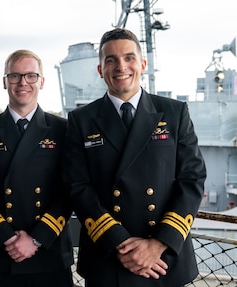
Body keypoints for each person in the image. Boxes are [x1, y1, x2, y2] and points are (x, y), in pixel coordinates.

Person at [62, 28, 206, 287]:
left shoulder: (173, 113)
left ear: (142, 64)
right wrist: (120, 244)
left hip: (164, 260)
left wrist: (158, 243)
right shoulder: (81, 120)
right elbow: (77, 186)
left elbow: (192, 179)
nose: (121, 67)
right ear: (100, 69)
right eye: (111, 60)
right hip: (108, 255)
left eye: (129, 58)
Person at [0, 49, 74, 287]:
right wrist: (6, 237)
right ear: (5, 82)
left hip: (49, 251)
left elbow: (70, 190)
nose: (22, 83)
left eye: (30, 76)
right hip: (2, 253)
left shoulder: (64, 130)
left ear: (42, 81)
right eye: (15, 76)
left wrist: (37, 238)